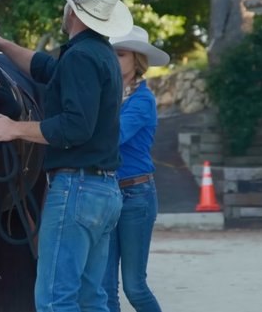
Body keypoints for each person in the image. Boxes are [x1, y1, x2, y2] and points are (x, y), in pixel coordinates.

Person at [0, 0, 133, 311]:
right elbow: (45, 69)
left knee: (54, 299)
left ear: (72, 12)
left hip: (76, 189)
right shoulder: (100, 55)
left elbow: (73, 128)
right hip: (104, 191)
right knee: (90, 297)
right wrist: (2, 45)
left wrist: (14, 128)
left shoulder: (80, 58)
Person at [102, 26, 169, 312]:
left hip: (135, 196)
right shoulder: (108, 95)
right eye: (111, 54)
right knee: (104, 289)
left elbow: (111, 139)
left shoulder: (143, 100)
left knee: (134, 286)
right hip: (106, 194)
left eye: (120, 54)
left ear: (137, 60)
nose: (113, 59)